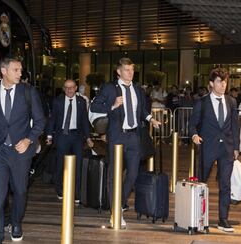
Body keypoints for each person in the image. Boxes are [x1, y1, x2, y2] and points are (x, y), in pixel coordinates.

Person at [90, 57, 160, 227]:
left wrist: (151, 119)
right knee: (114, 174)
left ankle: (119, 203)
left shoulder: (137, 89)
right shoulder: (109, 88)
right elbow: (94, 107)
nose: (130, 73)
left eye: (132, 70)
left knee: (133, 174)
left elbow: (142, 109)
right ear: (119, 72)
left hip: (134, 137)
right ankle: (115, 211)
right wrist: (112, 106)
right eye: (127, 70)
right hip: (117, 136)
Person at [0, 56, 45, 243]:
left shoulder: (28, 92)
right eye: (16, 70)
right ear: (4, 71)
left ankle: (16, 222)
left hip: (20, 152)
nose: (20, 73)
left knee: (20, 191)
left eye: (21, 70)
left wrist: (29, 140)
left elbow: (40, 121)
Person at [189, 68, 240, 232]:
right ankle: (197, 217)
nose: (223, 85)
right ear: (211, 84)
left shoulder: (231, 102)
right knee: (201, 183)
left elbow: (234, 126)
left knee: (225, 185)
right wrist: (194, 135)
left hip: (226, 148)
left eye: (225, 81)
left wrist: (236, 147)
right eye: (219, 81)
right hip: (207, 148)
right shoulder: (202, 103)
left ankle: (223, 219)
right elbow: (192, 125)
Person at [46, 79, 93, 203]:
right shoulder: (58, 101)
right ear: (63, 89)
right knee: (60, 164)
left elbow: (84, 120)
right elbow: (52, 119)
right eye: (66, 87)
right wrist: (49, 136)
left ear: (76, 88)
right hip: (62, 135)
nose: (69, 90)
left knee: (78, 165)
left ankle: (77, 194)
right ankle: (60, 190)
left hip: (77, 136)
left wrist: (88, 137)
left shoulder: (81, 102)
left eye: (71, 87)